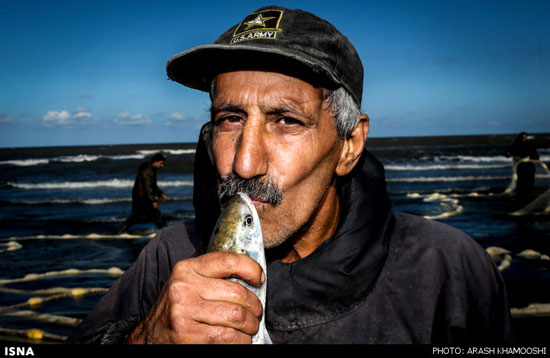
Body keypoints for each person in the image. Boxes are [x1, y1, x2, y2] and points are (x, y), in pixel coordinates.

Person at [68, 6, 513, 344]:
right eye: (229, 119)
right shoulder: (171, 256)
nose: (243, 164)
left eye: (286, 120)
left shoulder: (448, 268)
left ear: (348, 146)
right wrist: (146, 336)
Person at [119, 152, 168, 233]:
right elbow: (147, 187)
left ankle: (123, 230)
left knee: (143, 214)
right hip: (141, 197)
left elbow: (153, 185)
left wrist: (160, 193)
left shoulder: (152, 169)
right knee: (149, 214)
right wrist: (153, 200)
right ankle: (165, 231)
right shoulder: (148, 170)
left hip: (144, 196)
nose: (162, 165)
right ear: (155, 162)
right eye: (161, 163)